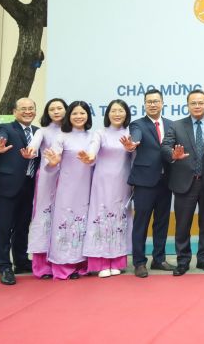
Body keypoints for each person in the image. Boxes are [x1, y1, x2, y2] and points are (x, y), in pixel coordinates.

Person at [162, 89, 204, 276]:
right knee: (182, 224)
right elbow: (165, 146)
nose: (197, 106)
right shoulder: (176, 126)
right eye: (193, 103)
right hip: (184, 183)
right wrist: (172, 154)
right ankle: (183, 260)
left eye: (201, 102)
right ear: (187, 105)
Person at [123, 89, 175, 278]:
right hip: (144, 181)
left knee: (162, 222)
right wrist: (133, 144)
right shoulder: (138, 124)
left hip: (166, 181)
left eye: (156, 101)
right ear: (145, 104)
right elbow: (135, 137)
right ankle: (139, 262)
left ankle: (159, 259)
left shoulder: (171, 125)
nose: (153, 104)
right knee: (141, 223)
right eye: (149, 101)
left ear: (162, 103)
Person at [0, 98, 39, 285]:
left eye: (31, 108)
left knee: (22, 226)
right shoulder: (6, 128)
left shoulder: (38, 132)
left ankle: (21, 261)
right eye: (23, 108)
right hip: (7, 187)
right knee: (2, 228)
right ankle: (4, 267)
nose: (27, 111)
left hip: (29, 186)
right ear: (14, 111)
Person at [43, 100, 95, 280]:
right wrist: (53, 162)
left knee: (83, 224)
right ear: (69, 116)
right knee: (65, 222)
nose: (79, 116)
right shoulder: (62, 136)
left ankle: (81, 264)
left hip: (88, 186)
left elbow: (96, 159)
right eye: (75, 113)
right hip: (67, 188)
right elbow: (52, 160)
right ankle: (64, 266)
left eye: (82, 113)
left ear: (88, 115)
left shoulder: (93, 136)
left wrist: (91, 160)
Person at [82, 100, 134, 278]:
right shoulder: (100, 133)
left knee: (120, 218)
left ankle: (117, 261)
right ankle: (101, 262)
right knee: (101, 217)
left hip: (123, 181)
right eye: (114, 111)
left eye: (121, 111)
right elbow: (93, 148)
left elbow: (136, 155)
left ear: (126, 114)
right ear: (108, 113)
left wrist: (131, 149)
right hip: (102, 181)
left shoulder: (130, 133)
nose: (117, 114)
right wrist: (90, 156)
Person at [24, 98, 68, 279]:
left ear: (66, 110)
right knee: (44, 217)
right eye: (52, 109)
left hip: (69, 179)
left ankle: (66, 262)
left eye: (59, 108)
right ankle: (42, 266)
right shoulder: (42, 131)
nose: (56, 111)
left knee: (65, 217)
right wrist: (30, 151)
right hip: (47, 178)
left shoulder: (72, 130)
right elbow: (33, 146)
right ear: (47, 113)